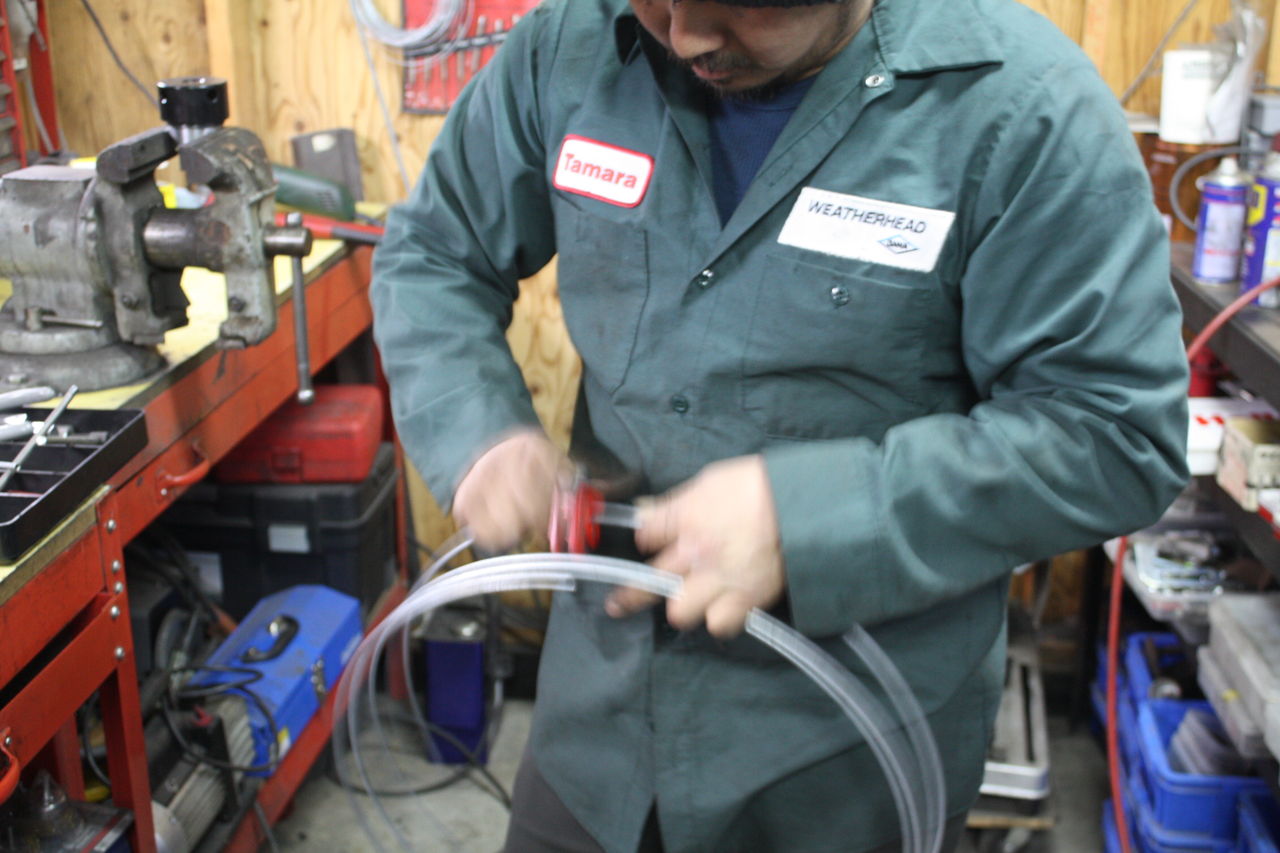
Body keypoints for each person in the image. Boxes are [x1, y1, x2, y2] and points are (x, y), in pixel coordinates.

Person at [371, 0, 1191, 849]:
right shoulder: (570, 44)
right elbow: (434, 252)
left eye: (738, 7)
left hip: (845, 765)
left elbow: (1114, 430)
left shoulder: (1022, 105)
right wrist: (478, 430)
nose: (685, 35)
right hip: (597, 731)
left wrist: (812, 520)